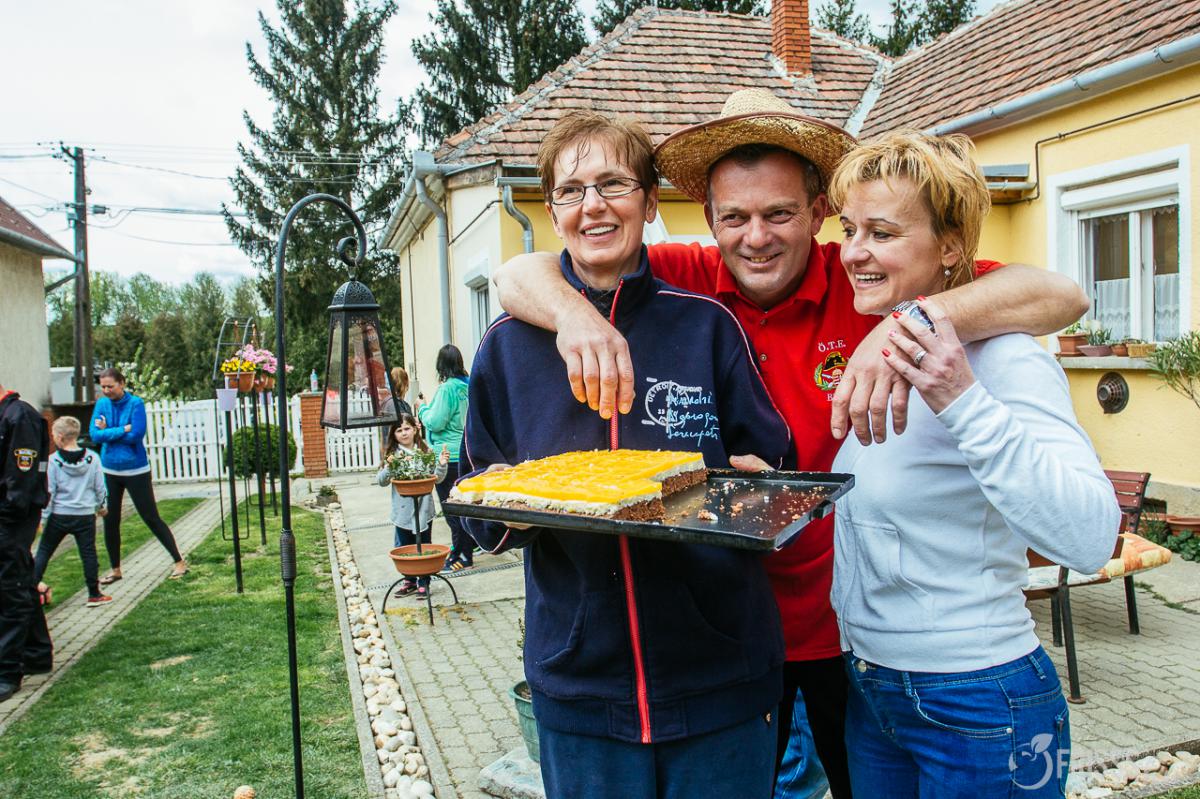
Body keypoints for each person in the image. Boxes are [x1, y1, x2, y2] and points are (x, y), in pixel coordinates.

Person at [491, 89, 1090, 798]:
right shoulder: (688, 280)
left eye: (779, 214)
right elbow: (519, 273)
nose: (755, 238)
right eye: (734, 218)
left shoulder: (869, 277)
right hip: (736, 637)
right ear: (708, 219)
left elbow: (1061, 295)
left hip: (855, 639)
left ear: (817, 212)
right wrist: (573, 317)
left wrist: (906, 324)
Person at [461, 110, 794, 799]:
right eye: (571, 190)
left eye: (613, 183)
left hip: (720, 675)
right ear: (553, 211)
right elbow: (471, 498)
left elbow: (772, 463)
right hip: (581, 686)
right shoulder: (506, 346)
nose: (593, 206)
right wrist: (501, 507)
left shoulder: (707, 325)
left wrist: (755, 493)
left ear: (649, 201)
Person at [827, 129, 1118, 797]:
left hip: (978, 699)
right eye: (849, 230)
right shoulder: (882, 350)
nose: (854, 252)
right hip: (874, 687)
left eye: (881, 232)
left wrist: (961, 397)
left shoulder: (1007, 359)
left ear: (951, 246)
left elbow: (1090, 536)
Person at [89, 368, 187, 583]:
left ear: (122, 383)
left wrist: (109, 430)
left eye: (110, 386)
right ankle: (115, 569)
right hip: (110, 469)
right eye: (103, 387)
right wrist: (121, 429)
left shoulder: (135, 404)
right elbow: (95, 435)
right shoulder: (102, 404)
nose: (106, 390)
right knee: (110, 520)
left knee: (150, 516)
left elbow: (136, 435)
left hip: (135, 469)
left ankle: (179, 561)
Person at [0, 381, 53, 702]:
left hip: (12, 517)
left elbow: (21, 475)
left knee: (10, 590)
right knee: (19, 580)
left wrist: (8, 514)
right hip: (8, 515)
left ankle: (7, 672)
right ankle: (37, 654)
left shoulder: (19, 416)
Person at [34, 416, 112, 609]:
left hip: (59, 515)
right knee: (88, 553)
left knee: (44, 551)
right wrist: (101, 506)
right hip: (84, 515)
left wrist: (42, 518)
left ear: (60, 437)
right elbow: (100, 486)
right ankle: (94, 594)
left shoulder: (53, 461)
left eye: (53, 435)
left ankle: (29, 589)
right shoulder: (93, 458)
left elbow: (49, 491)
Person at [376, 413, 449, 601]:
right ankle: (409, 580)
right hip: (402, 512)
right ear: (393, 434)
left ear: (415, 429)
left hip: (424, 510)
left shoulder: (425, 451)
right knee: (405, 547)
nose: (404, 433)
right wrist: (389, 467)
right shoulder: (393, 455)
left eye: (407, 428)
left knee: (424, 546)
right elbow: (381, 481)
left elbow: (437, 478)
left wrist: (442, 465)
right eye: (399, 430)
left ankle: (424, 581)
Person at [417, 345, 472, 571]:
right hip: (466, 451)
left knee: (451, 510)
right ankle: (468, 548)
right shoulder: (467, 386)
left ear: (441, 365)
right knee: (464, 505)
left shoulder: (447, 388)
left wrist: (422, 409)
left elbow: (436, 421)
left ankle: (461, 556)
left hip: (447, 455)